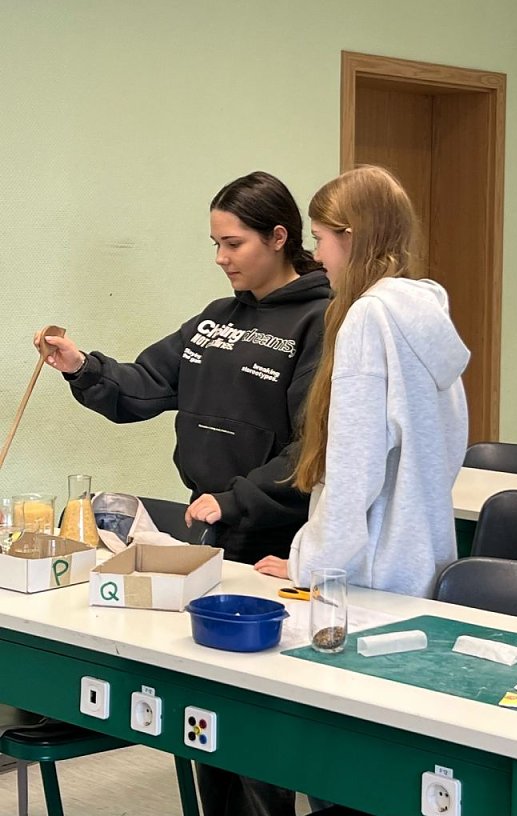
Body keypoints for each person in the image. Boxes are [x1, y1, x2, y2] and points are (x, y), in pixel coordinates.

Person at [35, 170, 331, 816]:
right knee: (211, 719)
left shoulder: (321, 321)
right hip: (212, 537)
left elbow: (313, 447)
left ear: (279, 237)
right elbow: (143, 385)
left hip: (278, 542)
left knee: (262, 729)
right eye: (215, 244)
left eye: (233, 243)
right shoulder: (216, 321)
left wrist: (236, 498)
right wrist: (82, 367)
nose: (221, 258)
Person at [256, 164, 470, 601]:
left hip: (365, 576)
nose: (317, 256)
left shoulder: (369, 318)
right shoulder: (423, 316)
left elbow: (354, 470)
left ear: (350, 237)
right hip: (420, 561)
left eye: (320, 238)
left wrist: (310, 563)